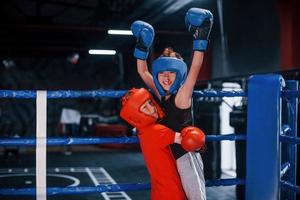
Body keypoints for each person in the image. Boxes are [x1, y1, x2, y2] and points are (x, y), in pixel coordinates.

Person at [131, 7, 213, 200]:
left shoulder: (182, 94)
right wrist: (142, 45)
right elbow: (143, 72)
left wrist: (201, 36)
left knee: (196, 198)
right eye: (162, 73)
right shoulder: (161, 93)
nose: (166, 77)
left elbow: (195, 67)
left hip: (186, 156)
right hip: (168, 155)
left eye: (172, 73)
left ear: (179, 75)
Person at [120, 88, 206, 200]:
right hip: (172, 192)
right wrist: (200, 143)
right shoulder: (157, 130)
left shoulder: (141, 131)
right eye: (145, 108)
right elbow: (189, 140)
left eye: (150, 102)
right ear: (137, 115)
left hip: (159, 192)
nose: (152, 109)